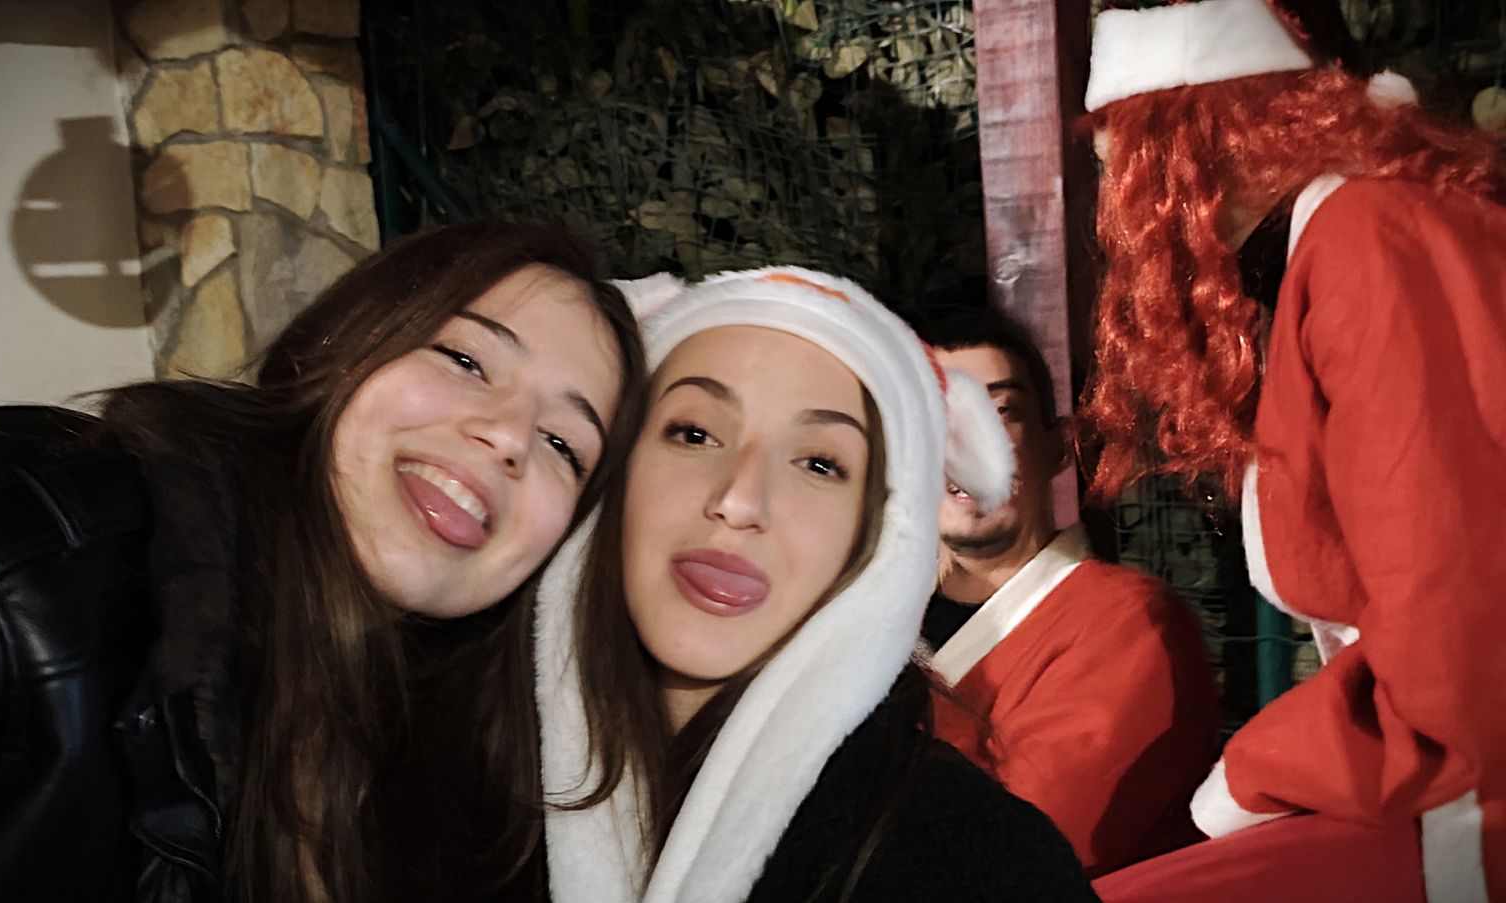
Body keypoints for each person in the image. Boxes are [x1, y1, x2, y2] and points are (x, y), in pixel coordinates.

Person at [0, 221, 648, 903]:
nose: (510, 437)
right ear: (344, 342)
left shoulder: (480, 762)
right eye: (465, 360)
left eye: (564, 445)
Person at [1079, 1, 1506, 900]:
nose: (1106, 172)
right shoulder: (1372, 226)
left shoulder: (1367, 237)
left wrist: (1249, 779)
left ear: (1183, 140)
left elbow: (1451, 624)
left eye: (1115, 139)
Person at [535, 267, 1098, 902]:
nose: (740, 501)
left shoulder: (989, 865)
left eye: (820, 464)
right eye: (694, 434)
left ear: (882, 536)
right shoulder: (457, 774)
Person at [912, 304, 1220, 876]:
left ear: (1058, 447)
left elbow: (1015, 861)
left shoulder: (1128, 621)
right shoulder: (877, 625)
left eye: (1000, 413)